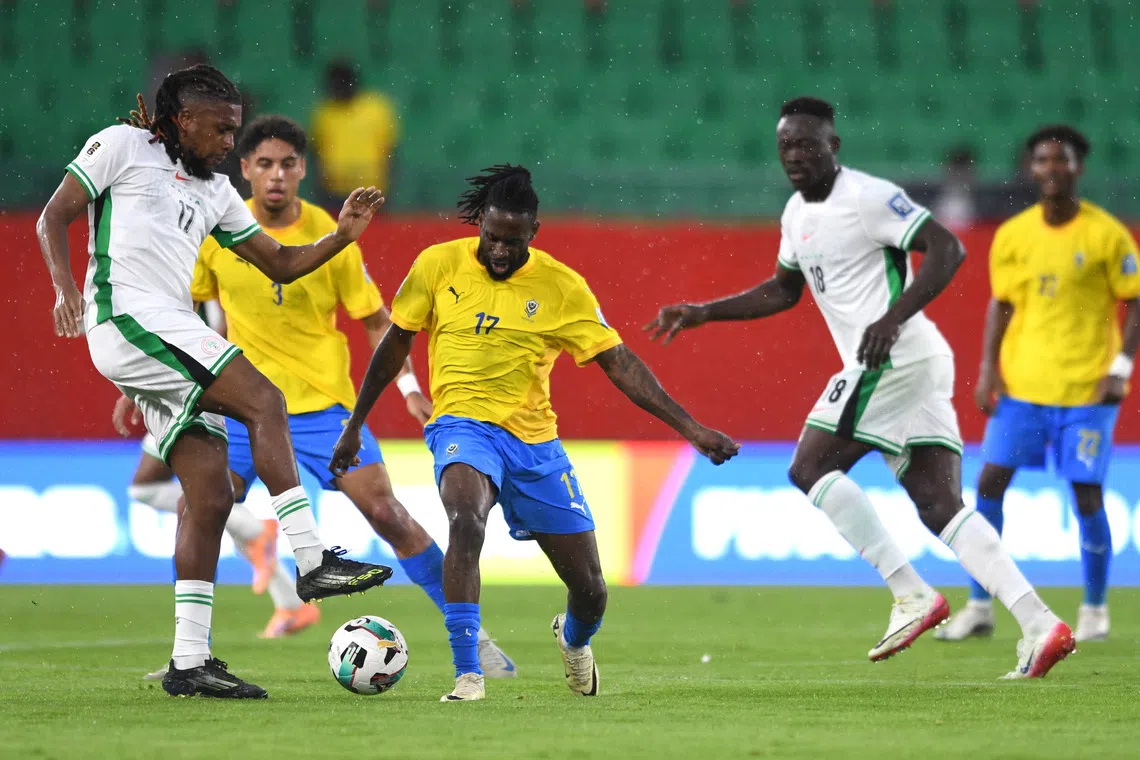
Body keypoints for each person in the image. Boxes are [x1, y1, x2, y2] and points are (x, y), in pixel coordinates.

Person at [646, 97, 1074, 679]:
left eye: (807, 143)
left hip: (893, 358)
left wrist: (892, 318)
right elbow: (784, 290)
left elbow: (948, 247)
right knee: (940, 505)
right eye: (785, 146)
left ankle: (910, 593)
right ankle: (1040, 622)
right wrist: (705, 312)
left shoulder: (869, 197)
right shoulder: (795, 214)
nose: (794, 155)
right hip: (914, 362)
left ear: (834, 146)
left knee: (809, 467)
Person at [36, 64, 392, 699]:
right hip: (125, 317)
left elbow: (281, 264)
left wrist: (340, 237)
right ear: (182, 120)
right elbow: (53, 215)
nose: (230, 142)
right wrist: (66, 291)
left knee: (210, 496)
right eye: (221, 130)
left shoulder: (218, 191)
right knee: (265, 400)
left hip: (167, 331)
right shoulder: (121, 145)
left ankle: (189, 662)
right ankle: (312, 560)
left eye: (235, 130)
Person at [330, 165, 740, 702]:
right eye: (492, 238)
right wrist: (355, 424)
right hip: (462, 426)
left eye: (513, 241)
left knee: (590, 591)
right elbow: (394, 345)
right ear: (480, 223)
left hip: (533, 445)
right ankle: (468, 675)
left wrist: (691, 429)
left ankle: (574, 642)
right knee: (464, 518)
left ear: (534, 232)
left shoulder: (561, 287)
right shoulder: (436, 265)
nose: (500, 251)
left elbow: (619, 364)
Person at [126, 114, 514, 677]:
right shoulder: (218, 231)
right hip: (240, 407)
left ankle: (475, 642)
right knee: (197, 510)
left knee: (388, 514)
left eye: (287, 164)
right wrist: (153, 373)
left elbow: (377, 320)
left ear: (303, 169)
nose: (276, 175)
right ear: (245, 169)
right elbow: (199, 318)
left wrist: (409, 387)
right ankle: (189, 656)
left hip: (323, 410)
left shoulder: (331, 233)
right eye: (264, 164)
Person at [937, 125, 1140, 644]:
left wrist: (1120, 368)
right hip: (1023, 388)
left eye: (1061, 159)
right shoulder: (1013, 235)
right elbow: (1001, 304)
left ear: (1078, 168)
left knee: (1087, 494)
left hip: (1086, 390)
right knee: (989, 485)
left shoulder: (1106, 234)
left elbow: (1135, 300)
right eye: (1043, 160)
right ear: (1031, 169)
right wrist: (988, 369)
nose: (1052, 168)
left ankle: (1094, 608)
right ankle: (979, 604)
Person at [311, 60, 400, 201]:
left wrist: (390, 186)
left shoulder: (376, 108)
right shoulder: (324, 112)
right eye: (333, 86)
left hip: (371, 190)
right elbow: (316, 153)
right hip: (334, 192)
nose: (336, 90)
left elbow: (390, 150)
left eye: (339, 85)